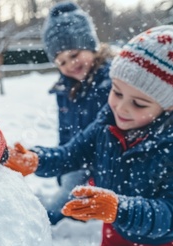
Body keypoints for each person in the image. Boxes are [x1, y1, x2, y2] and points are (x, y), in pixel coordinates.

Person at [5, 25, 173, 246]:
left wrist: (121, 209)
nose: (121, 108)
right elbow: (73, 153)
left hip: (159, 242)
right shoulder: (107, 123)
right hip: (113, 229)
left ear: (170, 105)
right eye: (117, 92)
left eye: (138, 103)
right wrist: (36, 159)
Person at [39, 1, 114, 225]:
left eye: (74, 54)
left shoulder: (111, 82)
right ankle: (45, 221)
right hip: (77, 157)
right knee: (62, 203)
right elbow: (65, 130)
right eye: (61, 62)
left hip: (109, 157)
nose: (70, 65)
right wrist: (64, 168)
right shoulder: (65, 90)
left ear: (90, 46)